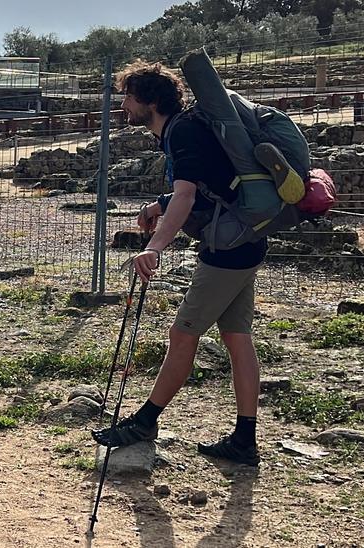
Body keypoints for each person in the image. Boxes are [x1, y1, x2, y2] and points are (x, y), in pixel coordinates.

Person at [90, 62, 266, 466]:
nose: (124, 104)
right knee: (237, 339)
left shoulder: (183, 132)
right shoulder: (180, 130)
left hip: (227, 249)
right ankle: (244, 440)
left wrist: (153, 247)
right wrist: (159, 204)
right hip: (245, 239)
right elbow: (209, 188)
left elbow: (187, 196)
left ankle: (145, 421)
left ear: (151, 101)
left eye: (129, 97)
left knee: (182, 333)